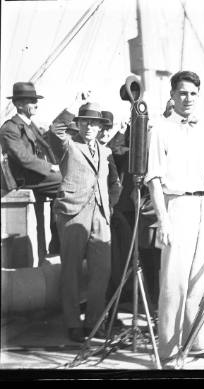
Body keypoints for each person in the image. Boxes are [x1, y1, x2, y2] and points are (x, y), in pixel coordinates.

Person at [145, 71, 204, 366]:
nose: (187, 98)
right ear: (172, 96)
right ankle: (169, 349)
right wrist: (163, 220)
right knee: (173, 281)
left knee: (203, 278)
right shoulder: (160, 130)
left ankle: (199, 342)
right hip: (176, 205)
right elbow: (153, 179)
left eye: (192, 93)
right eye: (182, 93)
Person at [48, 101, 121, 343]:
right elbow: (55, 129)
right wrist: (70, 105)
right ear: (77, 124)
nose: (90, 126)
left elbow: (112, 183)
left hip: (100, 214)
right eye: (85, 121)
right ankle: (72, 324)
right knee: (71, 270)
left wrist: (108, 205)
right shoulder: (68, 145)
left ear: (101, 127)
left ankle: (94, 323)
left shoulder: (104, 149)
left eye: (94, 123)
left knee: (102, 269)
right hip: (73, 212)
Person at [0, 82, 62, 261]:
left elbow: (50, 136)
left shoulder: (31, 125)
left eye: (36, 100)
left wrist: (70, 109)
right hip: (24, 178)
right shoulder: (9, 128)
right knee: (66, 183)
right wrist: (51, 167)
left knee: (65, 186)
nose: (36, 104)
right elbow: (23, 159)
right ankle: (59, 241)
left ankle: (52, 245)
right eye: (31, 100)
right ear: (18, 104)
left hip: (36, 177)